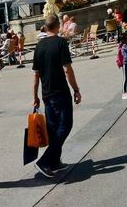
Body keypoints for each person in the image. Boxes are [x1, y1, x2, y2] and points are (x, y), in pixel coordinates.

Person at [32, 14, 81, 178]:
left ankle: (54, 161)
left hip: (46, 93)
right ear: (58, 26)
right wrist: (76, 89)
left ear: (45, 27)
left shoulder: (39, 46)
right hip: (60, 91)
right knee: (65, 126)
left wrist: (35, 96)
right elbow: (68, 69)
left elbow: (36, 75)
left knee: (53, 129)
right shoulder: (61, 43)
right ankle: (45, 161)